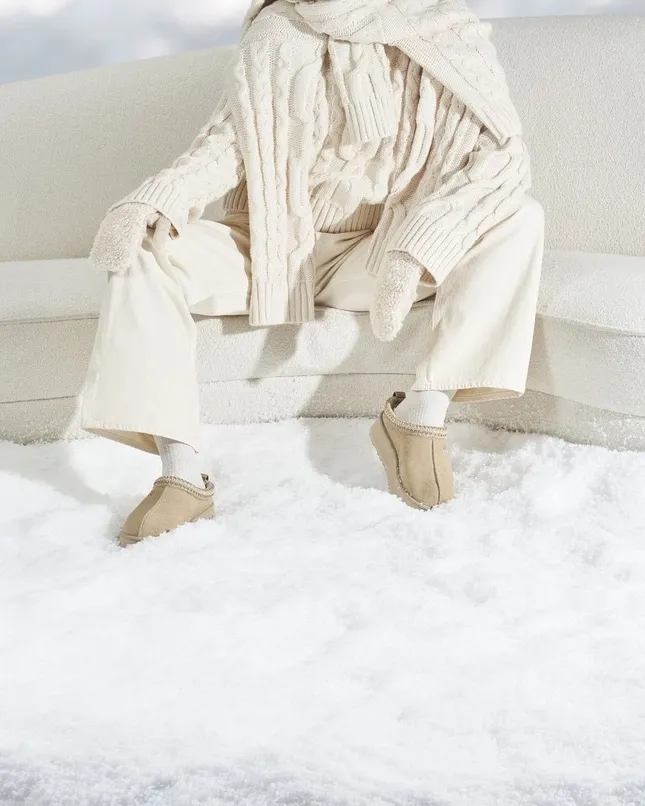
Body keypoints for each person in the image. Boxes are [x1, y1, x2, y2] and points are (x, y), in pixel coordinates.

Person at [80, 0, 545, 547]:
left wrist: (416, 250)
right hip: (269, 245)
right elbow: (230, 143)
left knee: (519, 216)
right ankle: (181, 472)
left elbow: (501, 160)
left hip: (380, 251)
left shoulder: (446, 27)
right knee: (147, 245)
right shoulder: (280, 27)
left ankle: (421, 415)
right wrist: (158, 197)